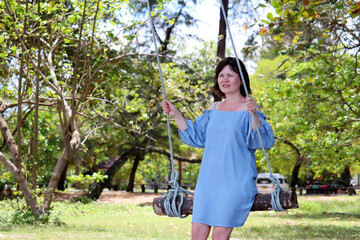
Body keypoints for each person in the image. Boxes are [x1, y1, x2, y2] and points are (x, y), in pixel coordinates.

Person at [161, 57, 275, 240]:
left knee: (219, 236)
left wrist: (254, 114)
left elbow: (262, 141)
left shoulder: (249, 108)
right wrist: (176, 115)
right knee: (198, 233)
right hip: (208, 181)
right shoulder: (214, 108)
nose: (225, 79)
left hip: (236, 181)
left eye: (230, 74)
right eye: (221, 75)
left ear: (241, 79)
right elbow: (196, 136)